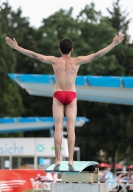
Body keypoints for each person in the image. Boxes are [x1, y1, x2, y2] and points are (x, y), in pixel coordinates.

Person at [5, 34, 124, 169]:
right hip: (71, 95)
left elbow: (35, 56)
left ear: (59, 49)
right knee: (71, 128)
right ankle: (71, 160)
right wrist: (113, 44)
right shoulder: (77, 61)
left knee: (58, 127)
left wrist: (17, 47)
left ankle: (57, 159)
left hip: (58, 94)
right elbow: (96, 55)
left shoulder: (55, 61)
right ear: (71, 49)